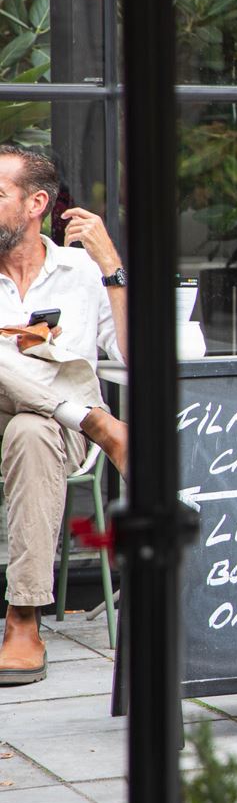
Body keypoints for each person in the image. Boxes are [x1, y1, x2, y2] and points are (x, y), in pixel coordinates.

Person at [0, 145, 130, 687]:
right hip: (79, 421)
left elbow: (132, 357)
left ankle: (23, 617)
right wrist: (88, 413)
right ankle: (93, 420)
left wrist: (112, 267)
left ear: (35, 204)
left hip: (51, 436)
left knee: (31, 429)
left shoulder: (80, 271)